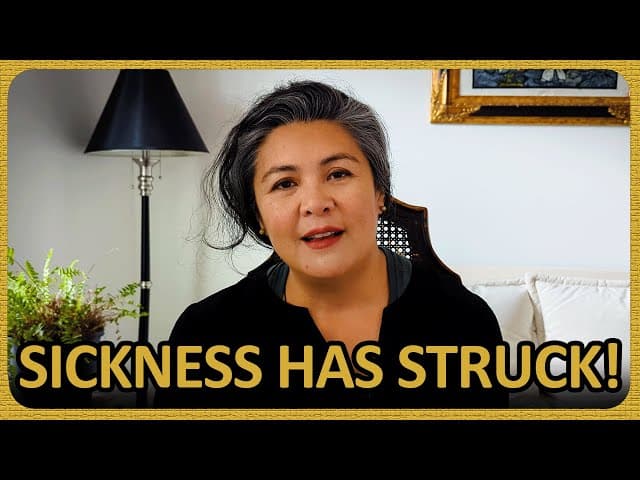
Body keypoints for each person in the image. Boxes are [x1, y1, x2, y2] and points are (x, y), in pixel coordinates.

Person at [153, 79, 509, 409]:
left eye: (338, 174)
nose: (315, 203)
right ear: (258, 214)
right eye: (284, 184)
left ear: (379, 192)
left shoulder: (464, 320)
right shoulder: (205, 335)